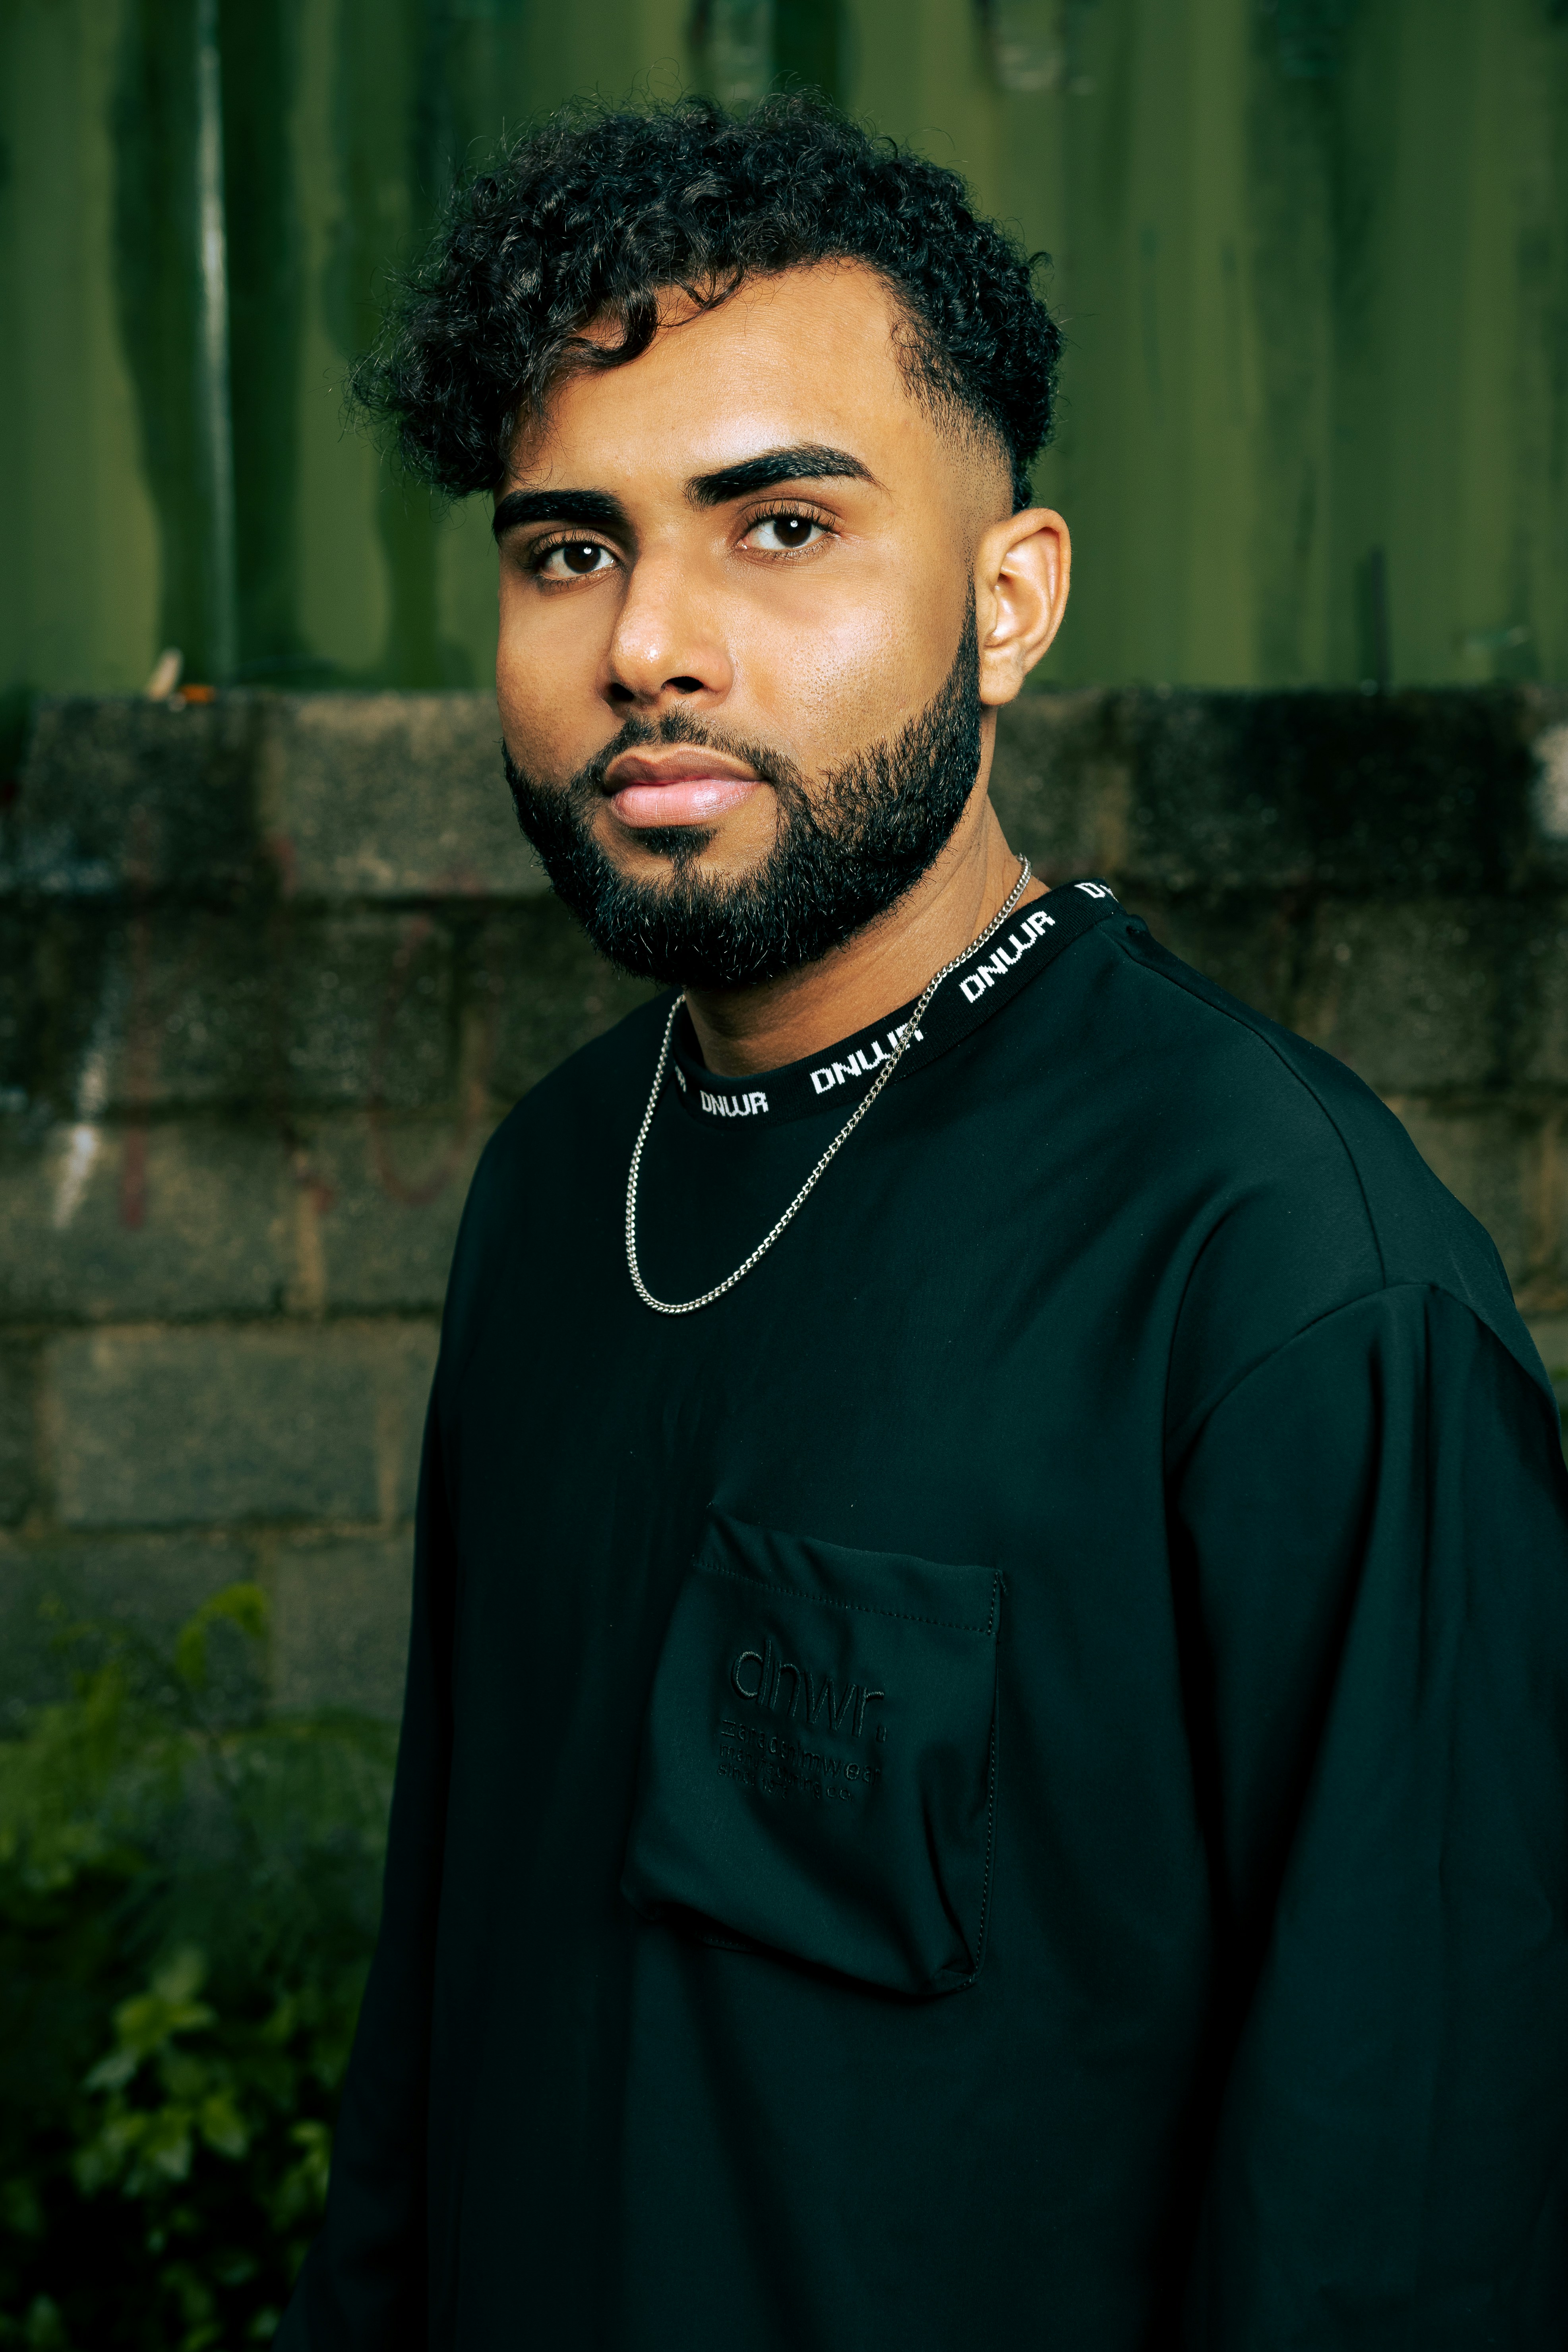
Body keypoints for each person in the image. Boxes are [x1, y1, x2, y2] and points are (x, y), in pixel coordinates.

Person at [279, 96, 1568, 2350]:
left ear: (1008, 601)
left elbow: (1406, 2219)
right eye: (566, 549)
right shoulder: (559, 1187)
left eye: (778, 525)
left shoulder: (1280, 1275)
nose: (649, 643)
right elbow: (439, 2023)